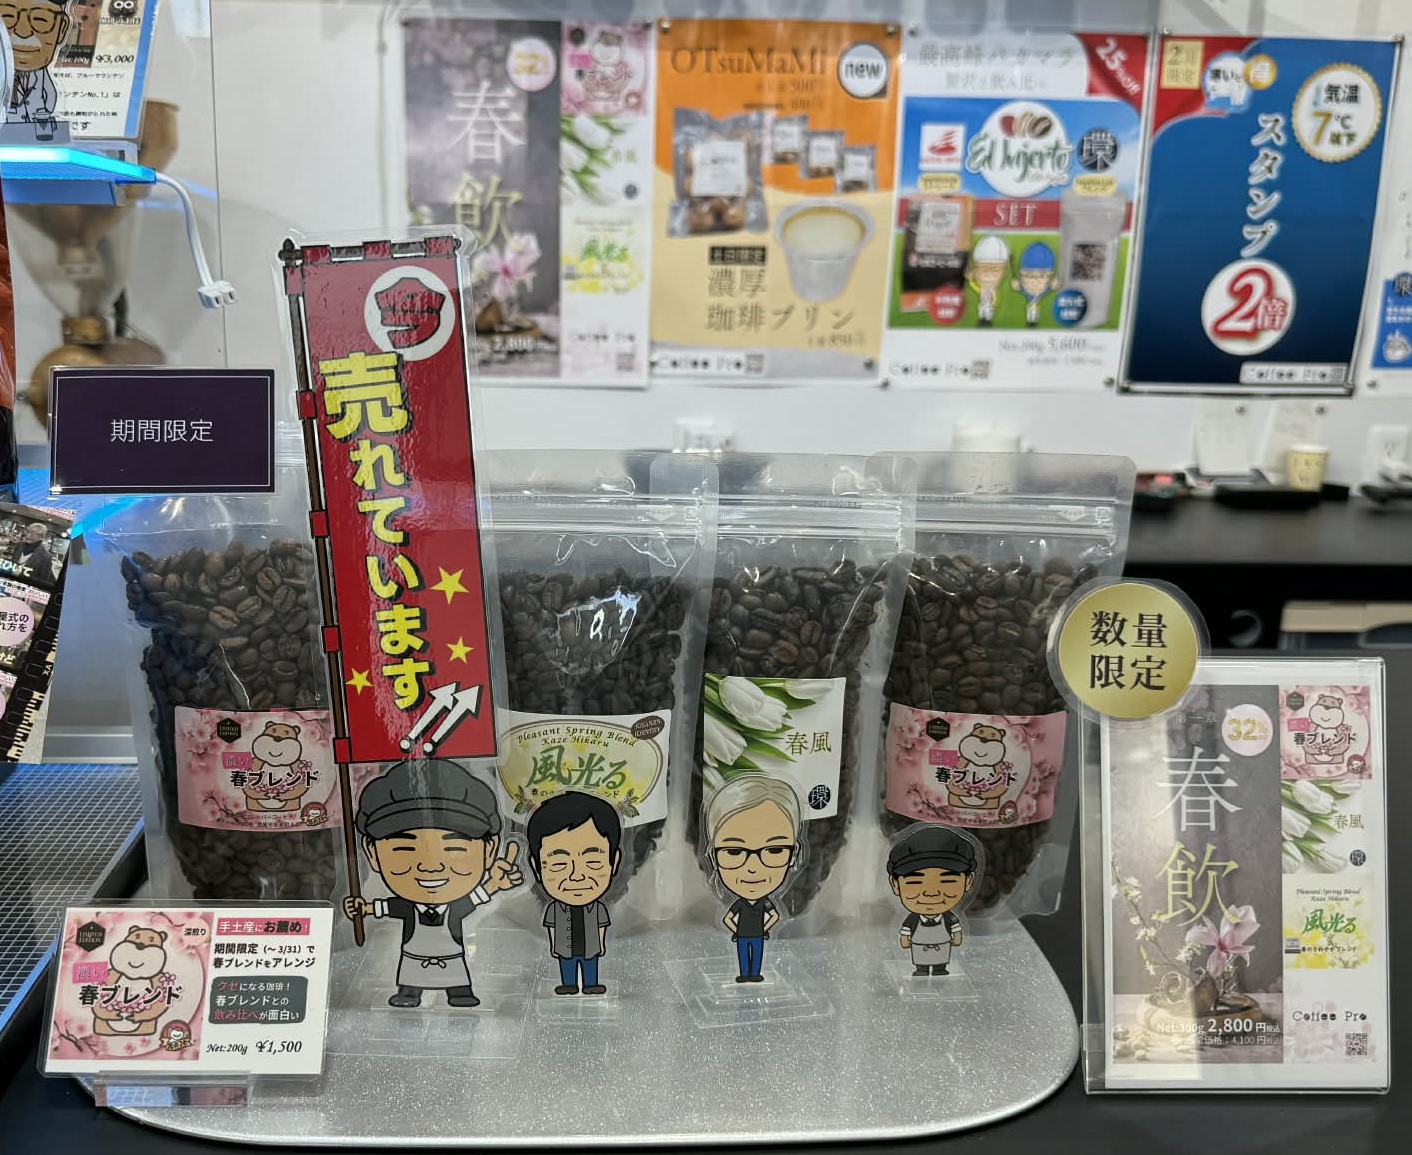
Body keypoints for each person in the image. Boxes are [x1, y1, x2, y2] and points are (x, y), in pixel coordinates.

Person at [343, 759, 523, 1009]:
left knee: (456, 975)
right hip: (413, 955)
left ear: (489, 850)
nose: (430, 867)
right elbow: (384, 907)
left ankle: (459, 994)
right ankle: (409, 994)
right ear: (372, 852)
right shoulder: (406, 906)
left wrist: (494, 884)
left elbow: (478, 898)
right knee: (410, 975)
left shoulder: (457, 907)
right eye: (405, 849)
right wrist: (364, 909)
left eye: (453, 849)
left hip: (452, 955)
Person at [707, 774, 800, 984]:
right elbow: (728, 919)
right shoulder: (741, 903)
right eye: (734, 851)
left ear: (793, 854)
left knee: (755, 954)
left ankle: (754, 974)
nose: (752, 867)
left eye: (774, 850)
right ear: (713, 855)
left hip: (754, 935)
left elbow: (774, 916)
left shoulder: (763, 902)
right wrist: (739, 931)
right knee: (744, 954)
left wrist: (762, 929)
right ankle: (745, 974)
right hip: (747, 935)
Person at [527, 791, 622, 996]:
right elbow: (552, 928)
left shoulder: (598, 908)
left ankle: (591, 984)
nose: (576, 876)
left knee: (590, 964)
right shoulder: (554, 908)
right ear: (536, 867)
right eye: (559, 864)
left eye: (593, 862)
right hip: (564, 948)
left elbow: (602, 927)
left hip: (591, 948)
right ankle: (568, 984)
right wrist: (554, 947)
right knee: (567, 965)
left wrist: (601, 945)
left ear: (613, 862)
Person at [887, 825, 978, 976]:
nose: (931, 893)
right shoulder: (913, 919)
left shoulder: (949, 917)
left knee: (940, 963)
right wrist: (904, 938)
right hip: (919, 947)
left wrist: (957, 936)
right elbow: (906, 929)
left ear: (968, 881)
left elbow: (955, 927)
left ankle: (940, 970)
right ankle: (921, 970)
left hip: (943, 947)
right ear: (895, 884)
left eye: (948, 881)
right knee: (920, 962)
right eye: (915, 882)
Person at [4, 0, 71, 138]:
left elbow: (49, 95)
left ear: (62, 29)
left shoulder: (42, 75)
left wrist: (44, 114)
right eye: (7, 16)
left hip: (35, 130)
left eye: (41, 19)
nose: (23, 32)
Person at [1013, 242, 1058, 327]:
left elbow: (1051, 287)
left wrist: (1053, 286)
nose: (1035, 281)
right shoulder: (1036, 292)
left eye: (1041, 277)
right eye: (1029, 276)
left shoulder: (1040, 291)